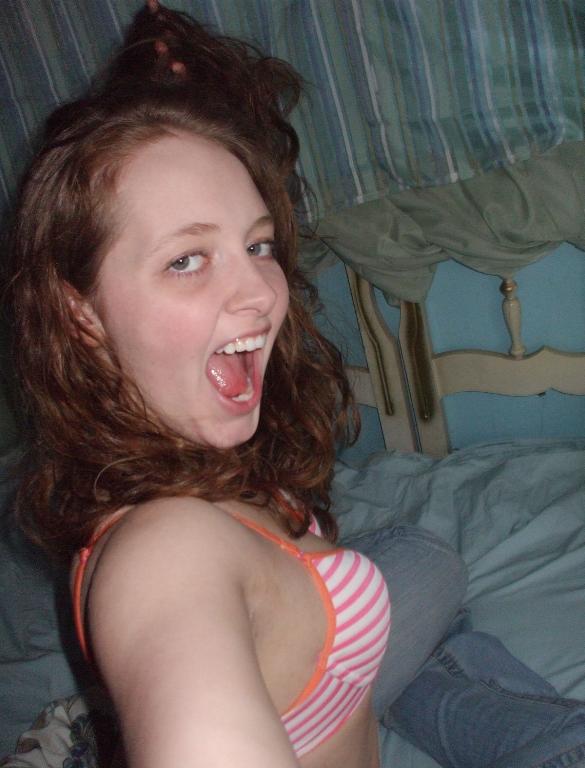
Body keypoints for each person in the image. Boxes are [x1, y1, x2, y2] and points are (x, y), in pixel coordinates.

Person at [5, 3, 585, 767]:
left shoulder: (175, 447)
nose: (259, 292)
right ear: (80, 314)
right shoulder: (163, 558)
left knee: (419, 555)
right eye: (186, 259)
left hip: (307, 661)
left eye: (257, 245)